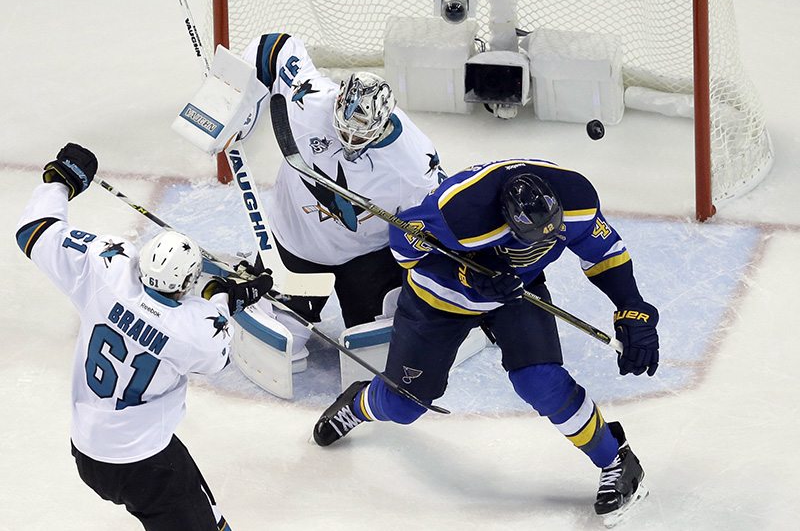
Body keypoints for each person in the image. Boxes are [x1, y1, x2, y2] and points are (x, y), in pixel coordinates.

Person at [312, 158, 659, 525]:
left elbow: (604, 251)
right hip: (439, 298)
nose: (548, 241)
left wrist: (631, 307)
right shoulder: (458, 211)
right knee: (404, 406)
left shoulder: (576, 197)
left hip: (515, 293)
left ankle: (616, 459)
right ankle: (360, 402)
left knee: (540, 380)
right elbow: (402, 246)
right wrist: (466, 275)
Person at [15, 143, 273, 531]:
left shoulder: (107, 270)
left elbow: (33, 232)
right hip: (147, 464)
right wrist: (226, 294)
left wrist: (61, 182)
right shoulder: (194, 332)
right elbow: (216, 348)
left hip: (88, 451)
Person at [238, 32, 445, 364]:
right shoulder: (311, 101)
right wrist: (234, 100)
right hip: (294, 243)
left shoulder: (415, 163)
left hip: (367, 258)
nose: (348, 141)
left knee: (383, 349)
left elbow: (436, 228)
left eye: (358, 135)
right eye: (343, 130)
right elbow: (274, 47)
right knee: (284, 343)